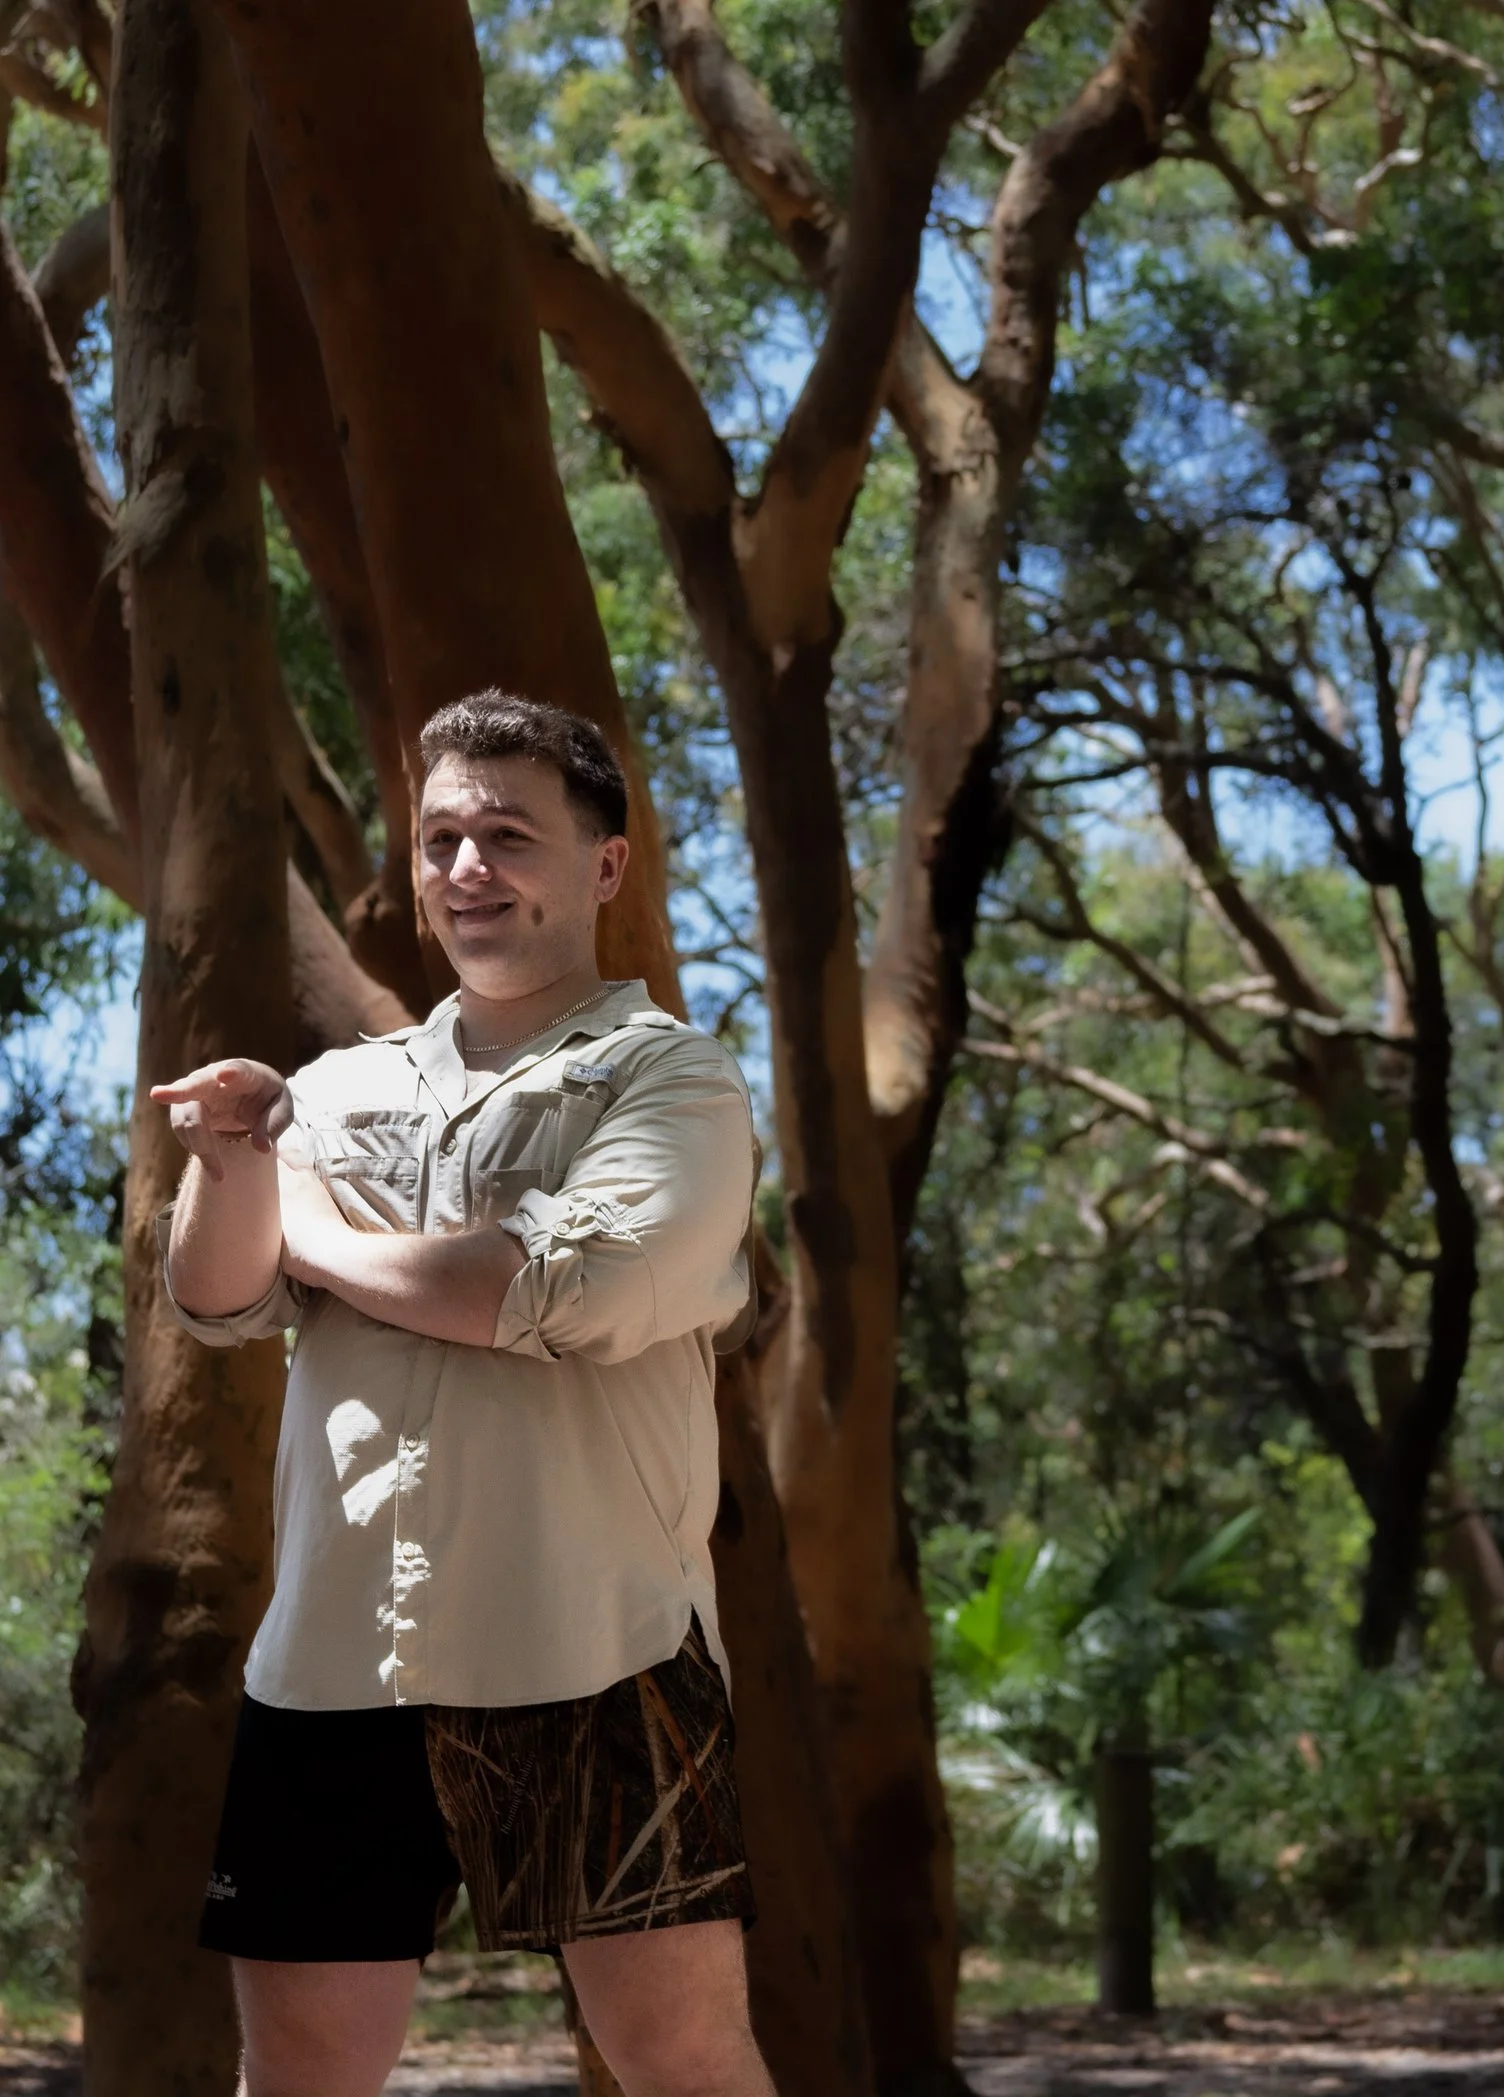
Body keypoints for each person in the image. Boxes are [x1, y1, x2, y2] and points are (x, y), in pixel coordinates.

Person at [156, 692, 771, 2097]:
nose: (467, 870)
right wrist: (243, 1158)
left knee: (679, 2058)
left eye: (508, 834)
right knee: (299, 2068)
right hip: (329, 1659)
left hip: (599, 1652)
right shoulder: (329, 1089)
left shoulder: (671, 1081)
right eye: (442, 841)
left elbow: (558, 1291)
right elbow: (216, 1297)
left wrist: (312, 1225)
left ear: (605, 866)